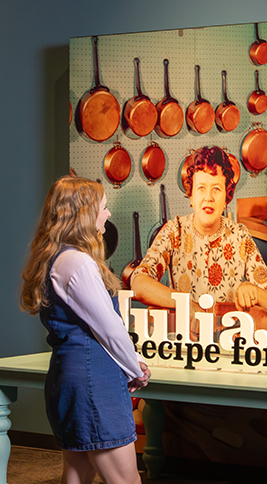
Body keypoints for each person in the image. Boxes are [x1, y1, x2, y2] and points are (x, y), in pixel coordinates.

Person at [20, 176, 150, 484]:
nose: (107, 215)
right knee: (127, 481)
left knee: (76, 476)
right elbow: (109, 329)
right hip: (95, 384)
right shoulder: (78, 264)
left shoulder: (55, 258)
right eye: (103, 208)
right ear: (85, 214)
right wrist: (135, 368)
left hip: (70, 378)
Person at [129, 145, 267, 342]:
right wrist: (185, 303)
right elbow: (138, 282)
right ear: (191, 195)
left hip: (232, 344)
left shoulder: (240, 236)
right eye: (201, 188)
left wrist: (254, 291)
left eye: (217, 189)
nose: (209, 198)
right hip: (187, 344)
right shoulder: (174, 231)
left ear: (226, 196)